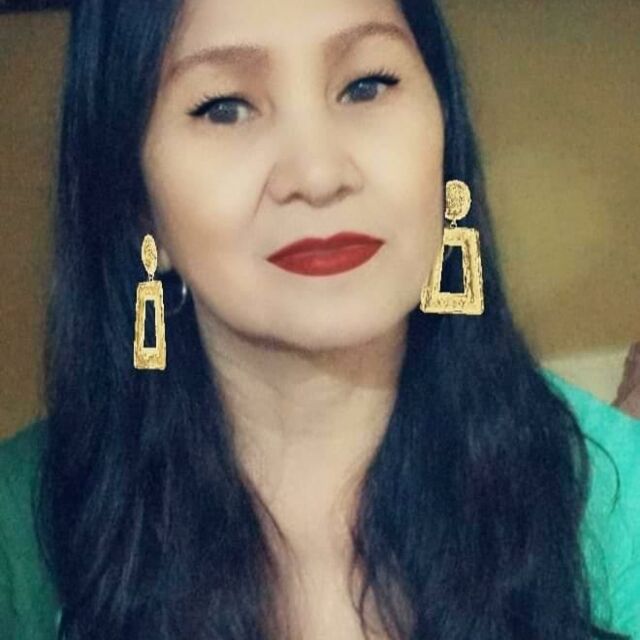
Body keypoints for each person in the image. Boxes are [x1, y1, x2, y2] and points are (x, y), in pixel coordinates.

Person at [1, 0, 639, 639]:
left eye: (366, 86)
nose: (317, 174)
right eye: (224, 107)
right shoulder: (23, 538)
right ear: (136, 200)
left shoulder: (615, 500)